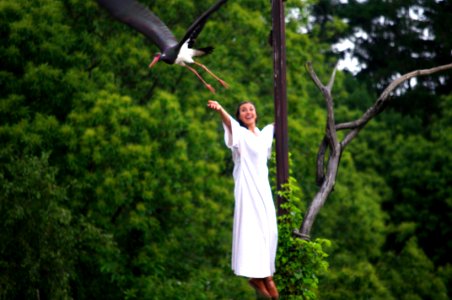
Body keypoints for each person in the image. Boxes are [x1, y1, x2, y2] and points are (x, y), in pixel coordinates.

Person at [207, 99, 279, 299]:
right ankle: (263, 277)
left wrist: (281, 111)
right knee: (253, 231)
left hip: (263, 189)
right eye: (243, 110)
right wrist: (221, 109)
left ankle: (263, 277)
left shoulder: (263, 134)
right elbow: (230, 124)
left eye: (251, 109)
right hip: (247, 188)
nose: (248, 112)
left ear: (256, 113)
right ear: (239, 116)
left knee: (270, 230)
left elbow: (275, 124)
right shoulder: (241, 136)